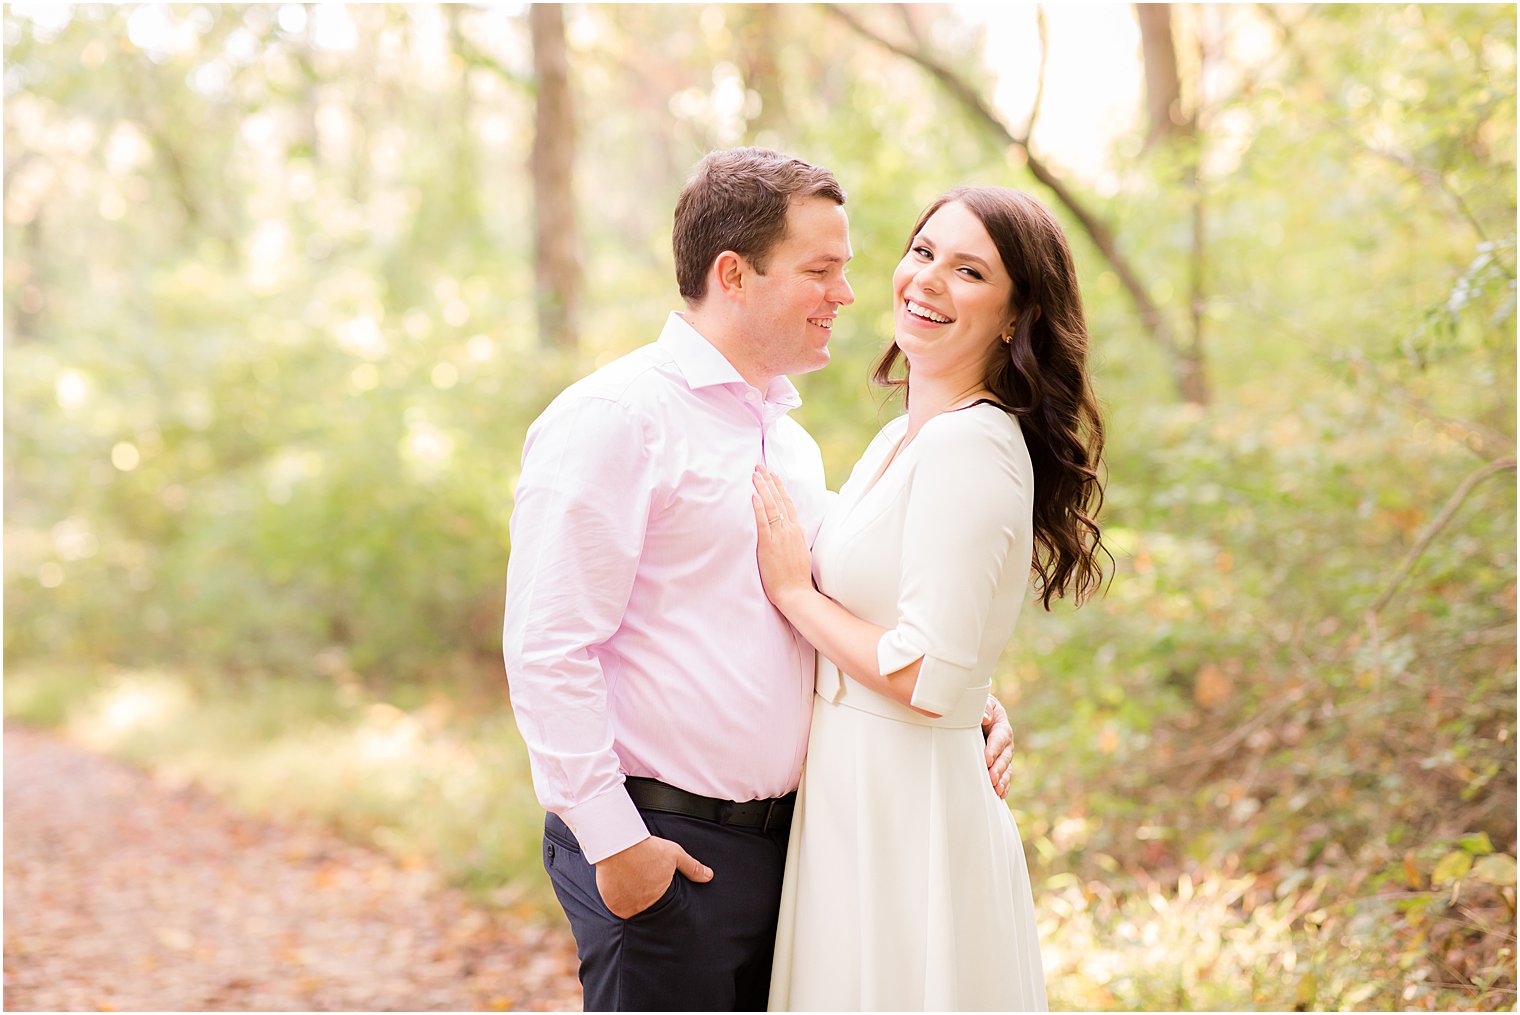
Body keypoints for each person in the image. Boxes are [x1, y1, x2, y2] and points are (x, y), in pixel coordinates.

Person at [501, 149, 1018, 1012]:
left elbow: (838, 611)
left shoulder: (793, 442)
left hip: (799, 852)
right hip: (667, 846)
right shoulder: (616, 419)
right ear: (733, 275)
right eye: (821, 270)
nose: (847, 295)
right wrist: (615, 844)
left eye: (847, 269)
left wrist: (974, 695)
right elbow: (548, 646)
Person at [752, 186, 1107, 1011]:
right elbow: (934, 638)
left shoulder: (972, 447)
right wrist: (977, 695)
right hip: (855, 792)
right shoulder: (897, 439)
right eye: (923, 252)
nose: (929, 280)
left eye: (970, 270)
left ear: (1017, 316)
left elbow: (926, 674)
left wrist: (794, 595)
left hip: (907, 810)